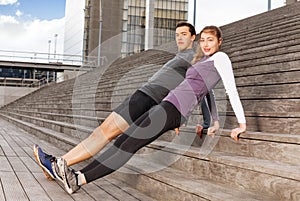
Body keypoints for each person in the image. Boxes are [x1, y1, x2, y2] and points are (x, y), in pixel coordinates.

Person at [51, 25, 246, 194]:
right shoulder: (203, 61)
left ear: (219, 41)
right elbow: (207, 93)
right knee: (123, 140)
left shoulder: (221, 58)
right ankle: (75, 176)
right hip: (168, 104)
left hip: (174, 111)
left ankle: (78, 180)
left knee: (129, 145)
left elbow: (231, 90)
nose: (205, 44)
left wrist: (241, 124)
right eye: (203, 40)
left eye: (210, 40)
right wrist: (211, 122)